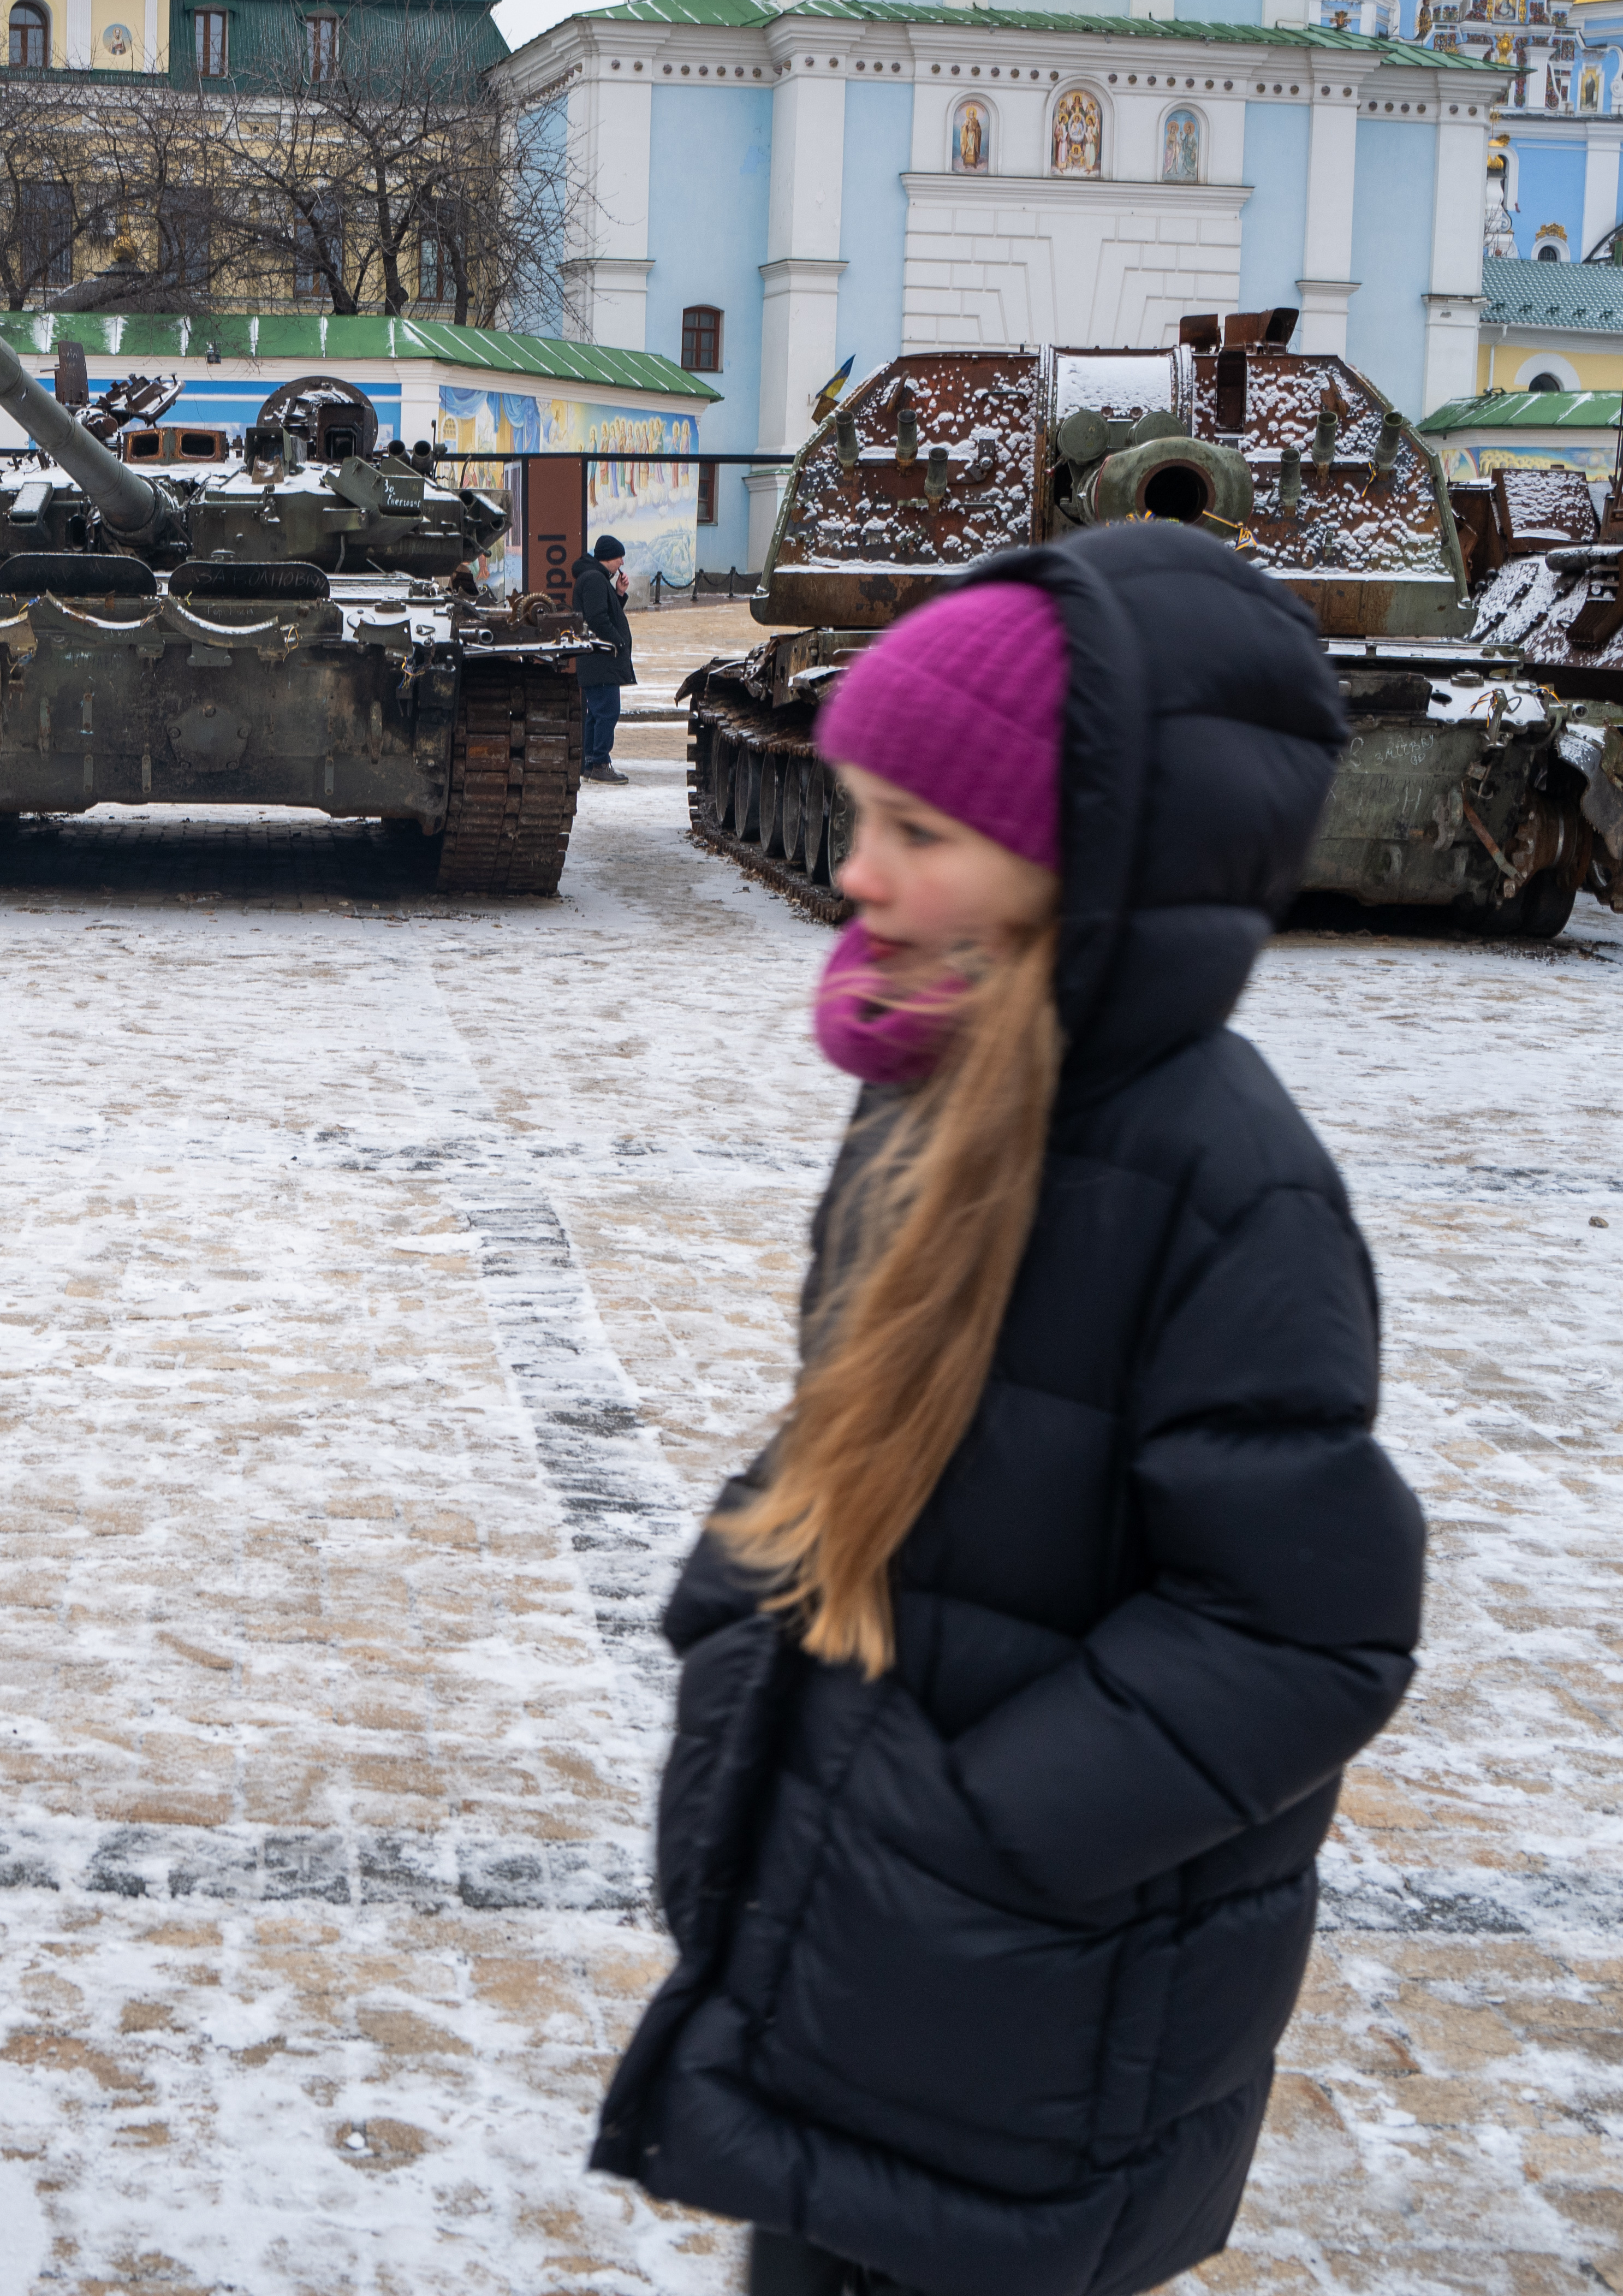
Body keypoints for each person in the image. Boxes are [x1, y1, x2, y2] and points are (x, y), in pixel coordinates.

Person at [590, 522, 1426, 2296]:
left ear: (1085, 867)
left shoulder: (1220, 1179)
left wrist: (978, 1837)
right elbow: (858, 1417)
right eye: (860, 812)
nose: (858, 872)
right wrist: (731, 1606)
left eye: (920, 832)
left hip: (1031, 1989)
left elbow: (1305, 1625)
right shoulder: (934, 1083)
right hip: (869, 1935)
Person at [573, 531, 635, 782]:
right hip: (601, 660)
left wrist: (619, 594)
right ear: (608, 558)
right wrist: (618, 642)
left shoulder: (594, 578)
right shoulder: (595, 579)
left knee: (596, 714)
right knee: (608, 711)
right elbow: (598, 619)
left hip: (595, 660)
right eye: (619, 557)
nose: (622, 563)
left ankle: (590, 763)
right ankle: (600, 763)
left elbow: (603, 613)